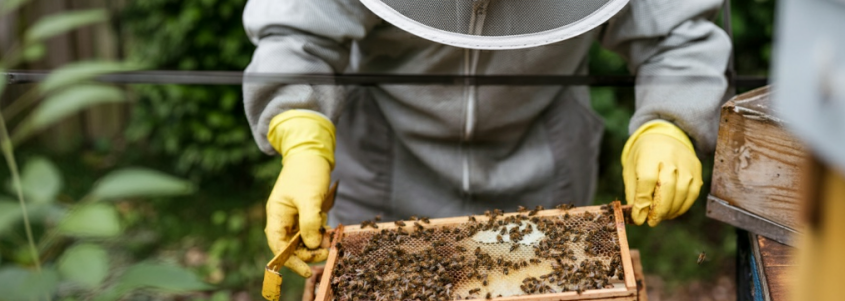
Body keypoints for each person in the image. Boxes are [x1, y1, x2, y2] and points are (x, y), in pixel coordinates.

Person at [243, 0, 731, 277]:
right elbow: (295, 32)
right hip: (382, 162)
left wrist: (669, 121)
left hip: (545, 157)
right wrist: (300, 130)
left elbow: (678, 35)